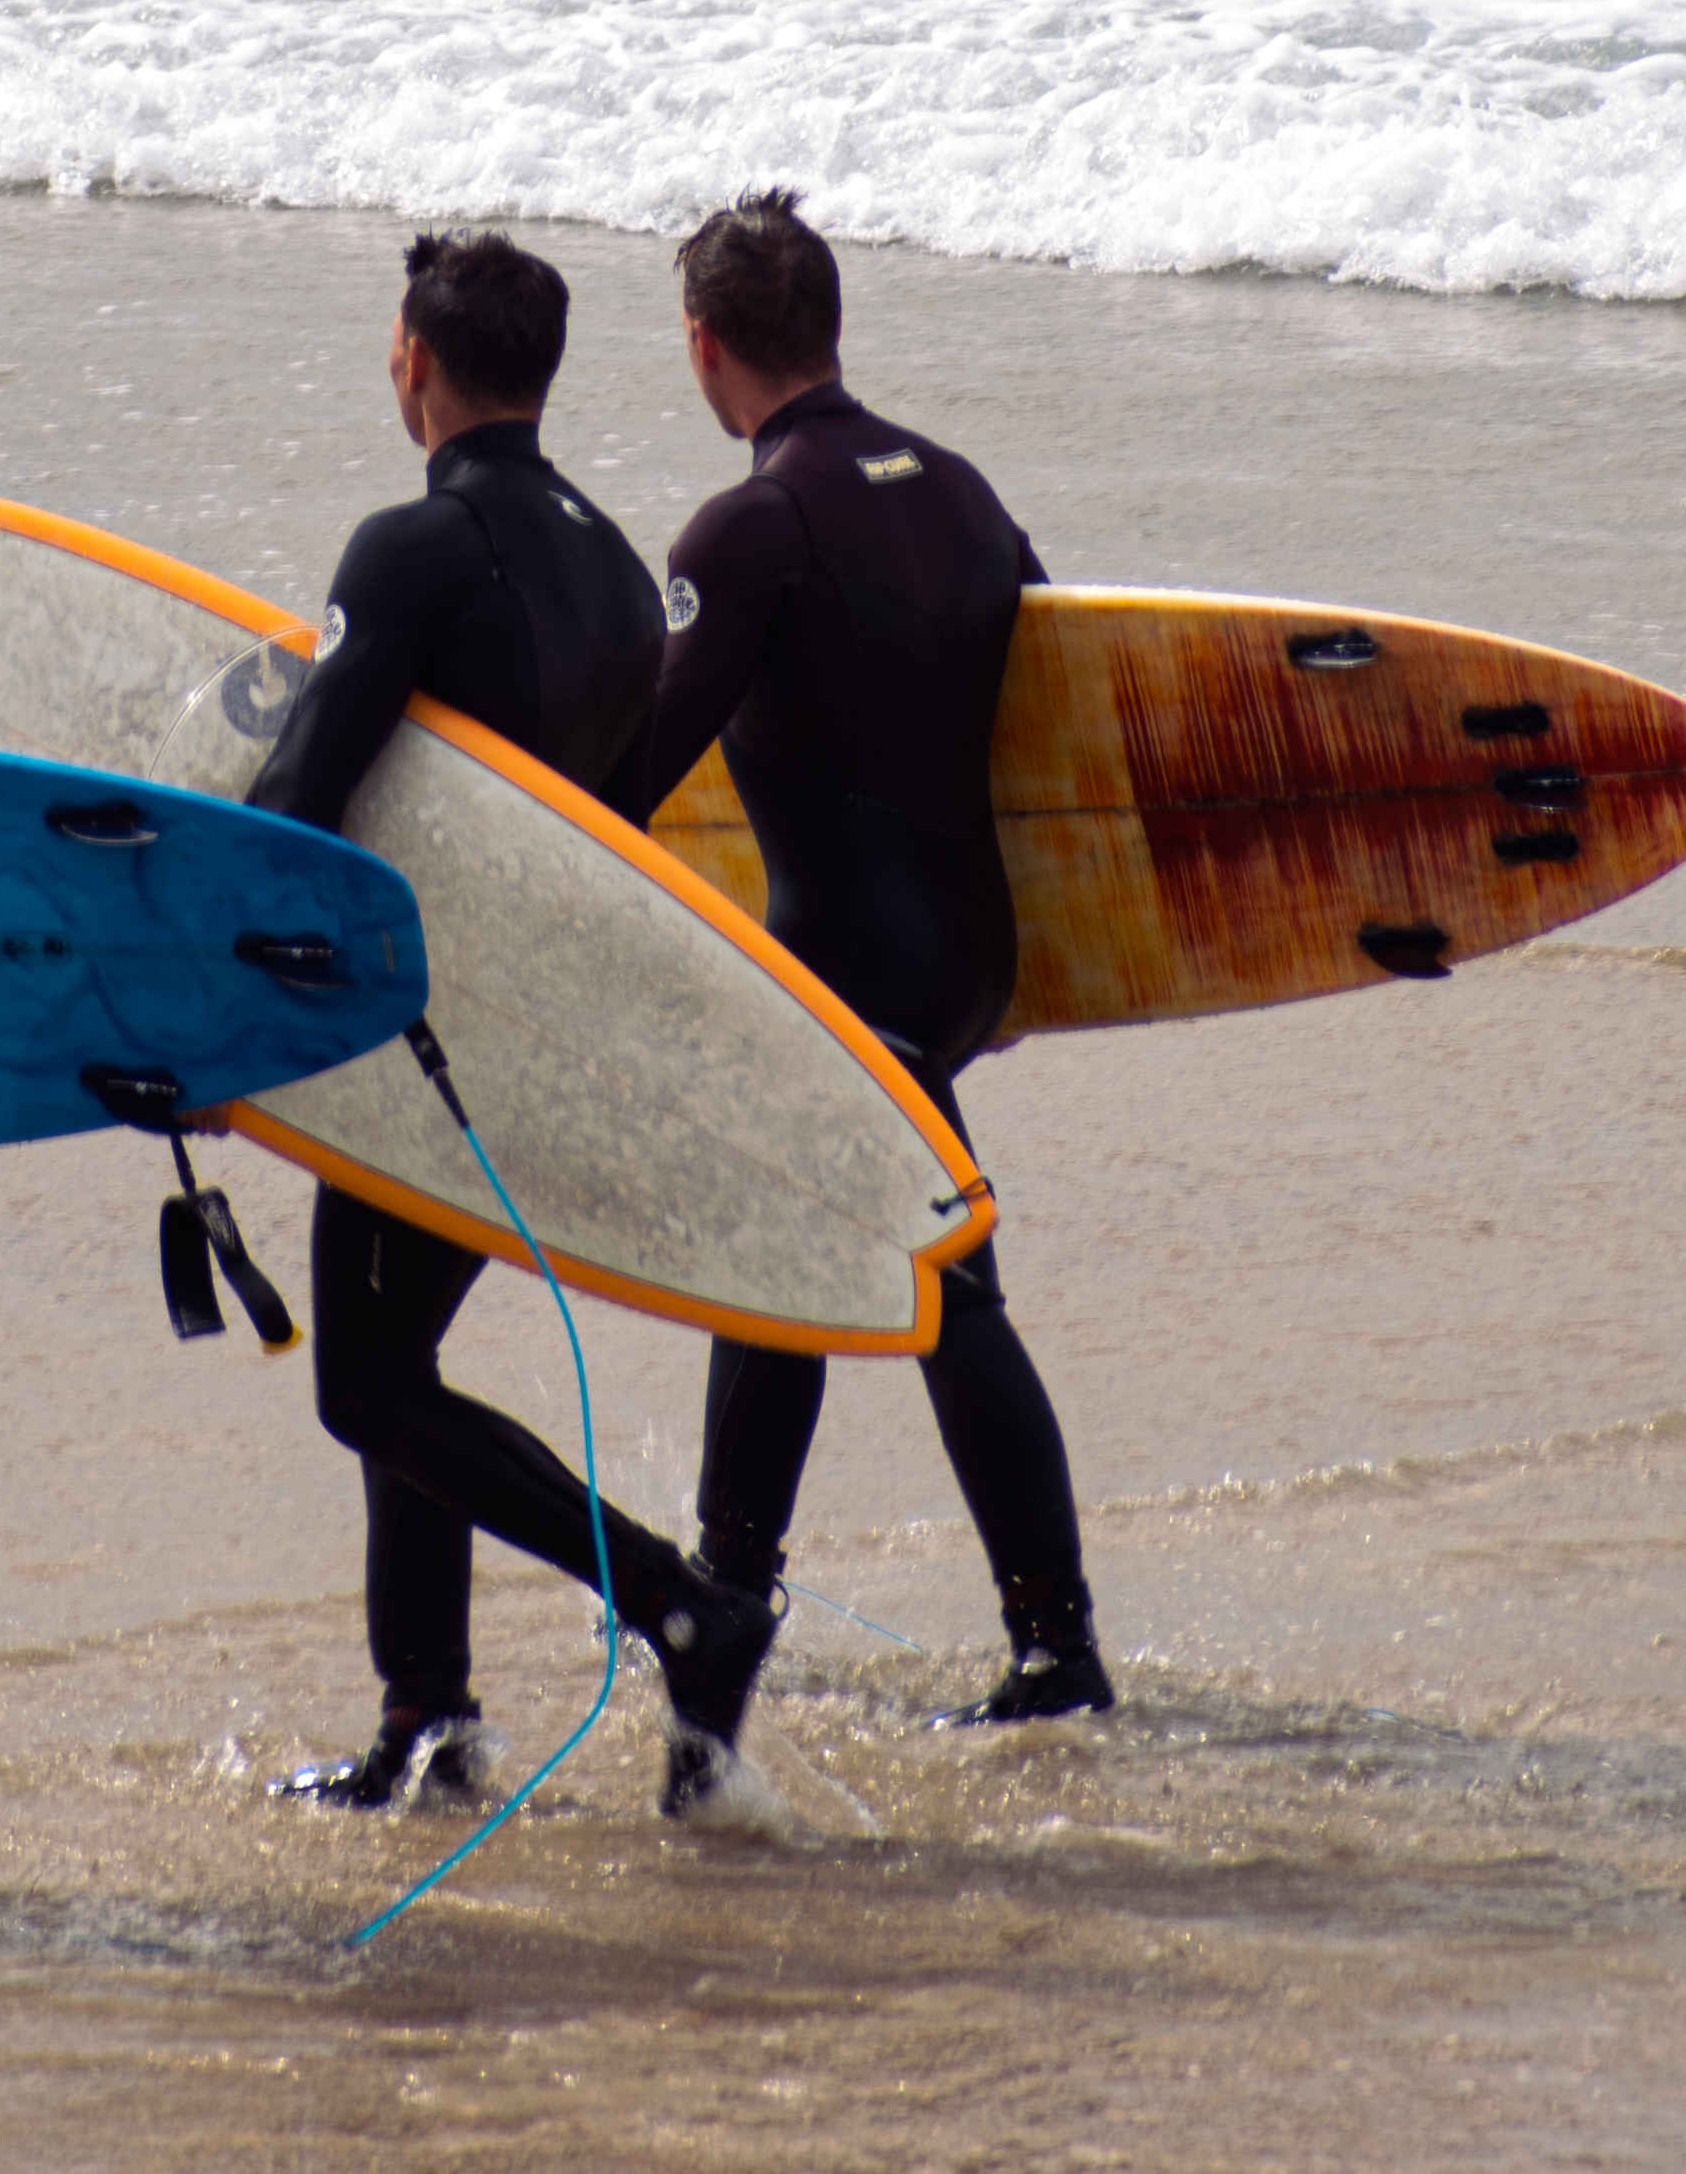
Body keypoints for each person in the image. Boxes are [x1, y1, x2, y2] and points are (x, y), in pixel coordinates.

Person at [238, 230, 785, 1824]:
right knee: (393, 1359)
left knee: (367, 1386)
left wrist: (214, 1008)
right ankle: (430, 1721)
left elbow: (302, 796)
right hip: (542, 1023)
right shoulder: (617, 567)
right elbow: (599, 828)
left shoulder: (415, 547)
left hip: (430, 1034)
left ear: (414, 358)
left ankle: (682, 1605)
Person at [600, 191, 1114, 1733]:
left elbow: (632, 778)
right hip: (959, 959)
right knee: (828, 1276)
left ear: (704, 347)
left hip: (840, 977)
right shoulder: (960, 490)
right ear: (833, 327)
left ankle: (988, 1642)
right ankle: (753, 1607)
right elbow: (1056, 733)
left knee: (915, 1295)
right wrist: (1040, 967)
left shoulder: (752, 527)